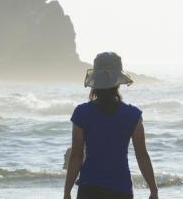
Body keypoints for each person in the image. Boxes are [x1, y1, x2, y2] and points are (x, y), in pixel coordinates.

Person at [64, 52, 158, 199]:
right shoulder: (132, 115)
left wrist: (67, 191)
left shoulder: (81, 113)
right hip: (121, 189)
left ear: (95, 80)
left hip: (89, 189)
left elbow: (76, 156)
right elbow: (142, 156)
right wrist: (153, 190)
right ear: (118, 81)